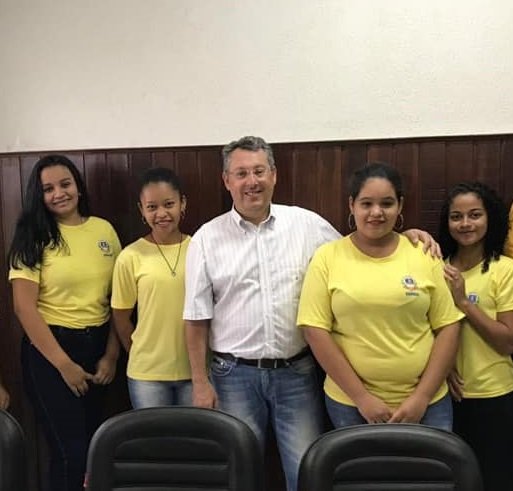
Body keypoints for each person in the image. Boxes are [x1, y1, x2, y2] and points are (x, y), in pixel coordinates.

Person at [184, 137, 438, 491]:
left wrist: (402, 237)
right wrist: (200, 382)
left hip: (296, 373)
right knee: (238, 471)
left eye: (259, 171)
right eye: (241, 174)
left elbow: (359, 248)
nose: (251, 181)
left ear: (274, 175)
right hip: (233, 375)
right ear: (227, 180)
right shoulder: (206, 239)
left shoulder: (307, 225)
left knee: (307, 470)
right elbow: (196, 318)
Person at [297, 162, 462, 431]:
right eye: (366, 204)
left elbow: (448, 326)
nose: (376, 212)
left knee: (433, 462)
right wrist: (362, 398)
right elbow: (314, 330)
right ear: (352, 205)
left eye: (387, 203)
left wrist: (421, 397)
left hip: (428, 403)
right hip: (351, 404)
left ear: (400, 205)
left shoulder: (424, 253)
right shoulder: (327, 257)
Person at [7, 155, 121, 491]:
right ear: (39, 195)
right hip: (50, 352)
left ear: (78, 187)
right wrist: (64, 365)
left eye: (65, 184)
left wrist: (111, 355)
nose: (59, 193)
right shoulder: (32, 236)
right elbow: (23, 308)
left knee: (95, 451)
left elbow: (119, 300)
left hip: (99, 347)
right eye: (48, 189)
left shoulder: (103, 230)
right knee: (70, 453)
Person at [439, 182, 513, 491]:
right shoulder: (437, 267)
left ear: (489, 218)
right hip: (445, 398)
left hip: (494, 396)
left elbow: (507, 341)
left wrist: (464, 303)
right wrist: (444, 368)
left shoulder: (504, 270)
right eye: (456, 216)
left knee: (495, 479)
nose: (465, 224)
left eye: (474, 215)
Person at [111, 167, 192, 408]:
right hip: (147, 376)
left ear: (182, 204)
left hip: (195, 371)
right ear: (142, 210)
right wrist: (140, 353)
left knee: (196, 434)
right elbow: (121, 316)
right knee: (154, 434)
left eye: (169, 204)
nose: (161, 214)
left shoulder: (200, 248)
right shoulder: (130, 256)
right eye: (152, 207)